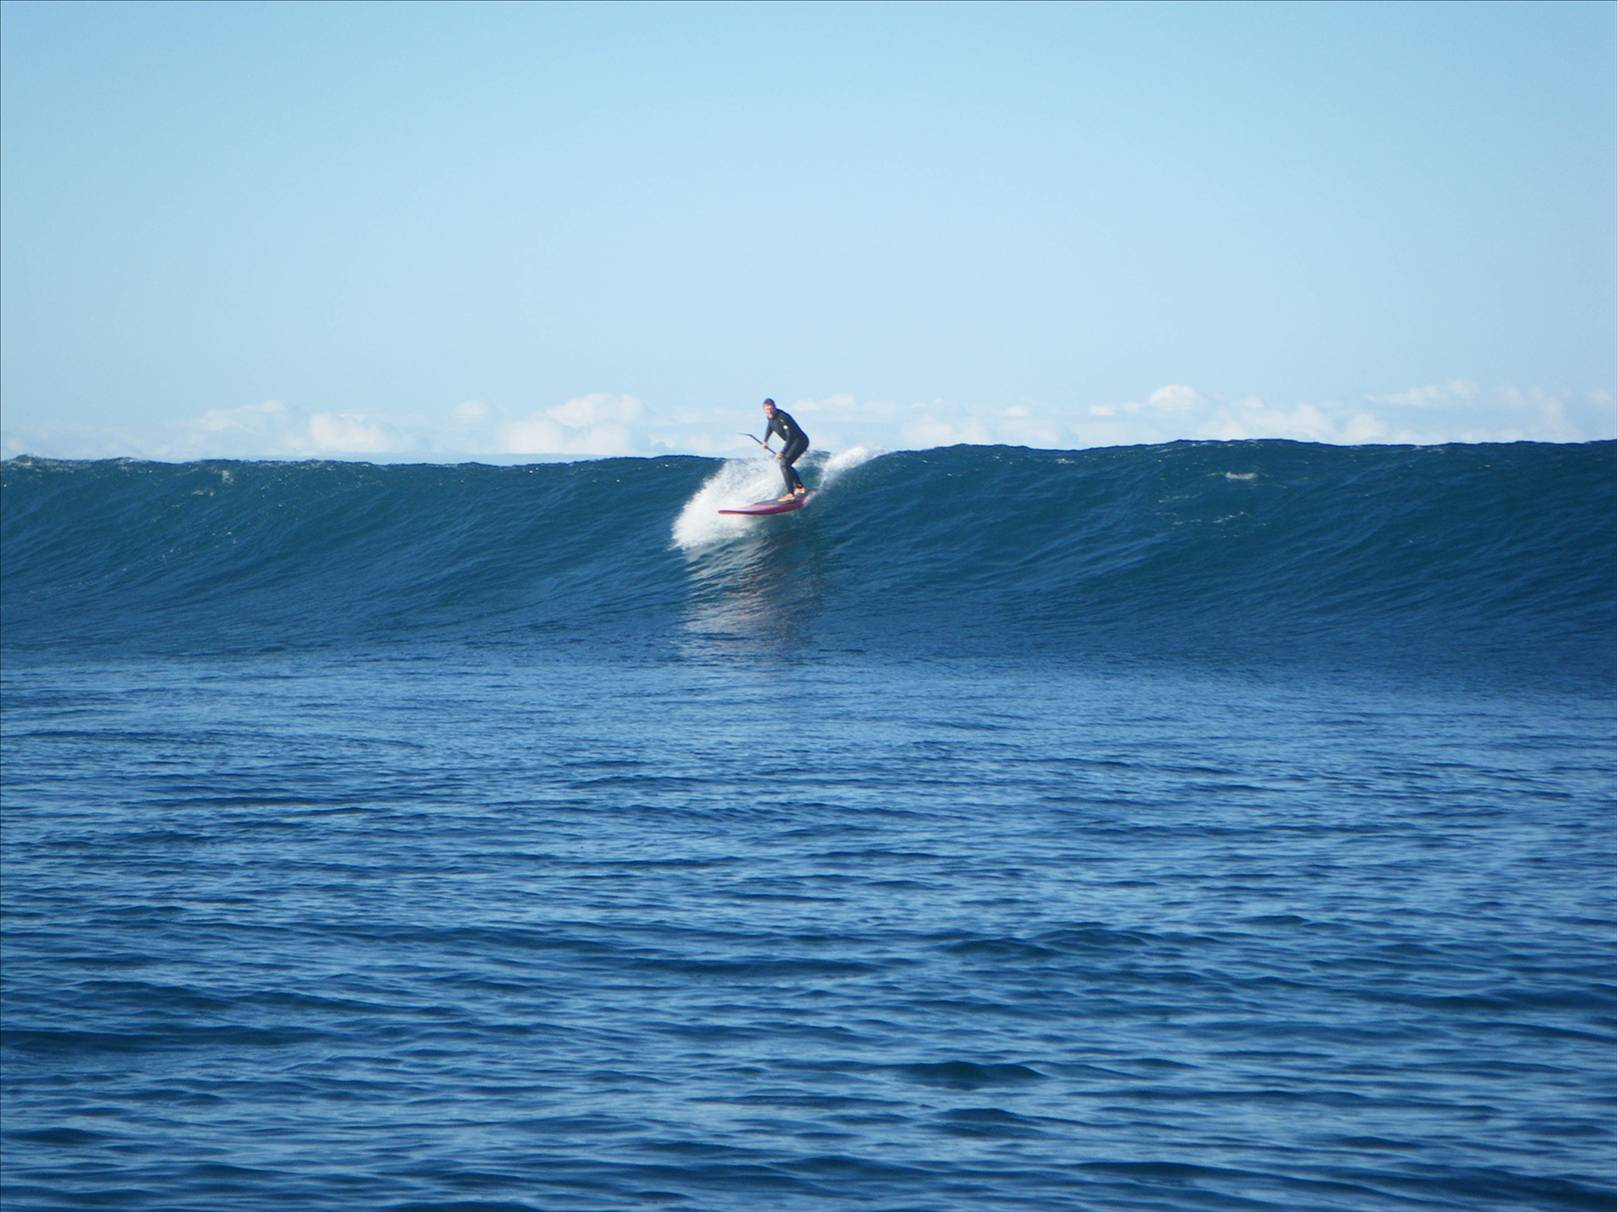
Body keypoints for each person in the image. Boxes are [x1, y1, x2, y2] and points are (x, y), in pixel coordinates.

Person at [759, 398, 809, 500]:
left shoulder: (783, 417)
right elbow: (770, 426)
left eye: (771, 409)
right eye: (767, 410)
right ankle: (799, 487)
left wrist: (782, 452)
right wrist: (765, 440)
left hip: (800, 441)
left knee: (784, 463)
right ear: (763, 410)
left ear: (775, 407)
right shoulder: (770, 417)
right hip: (793, 442)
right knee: (786, 464)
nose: (769, 411)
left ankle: (790, 494)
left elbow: (790, 437)